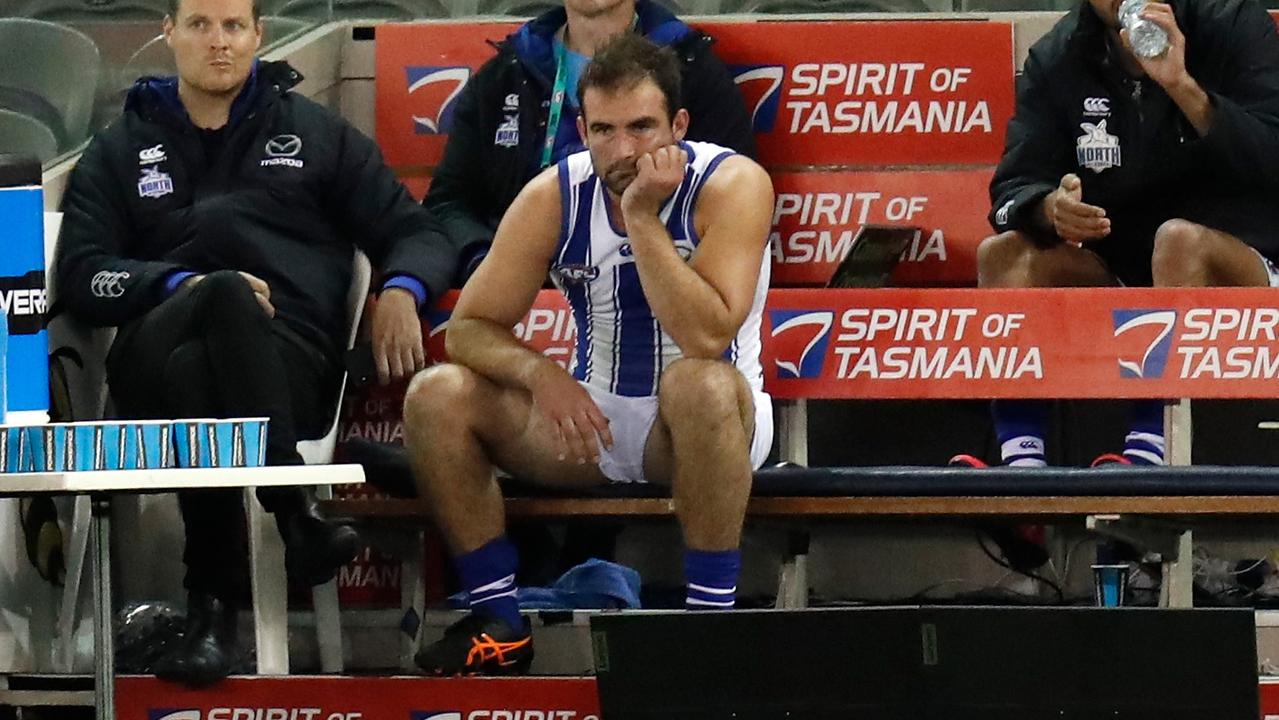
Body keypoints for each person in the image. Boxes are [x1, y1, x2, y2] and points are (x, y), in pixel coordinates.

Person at [55, 0, 457, 686]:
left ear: (258, 37)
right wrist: (180, 285)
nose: (219, 43)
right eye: (201, 26)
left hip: (288, 363)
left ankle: (213, 612)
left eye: (234, 27)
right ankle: (292, 515)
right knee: (219, 297)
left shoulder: (314, 134)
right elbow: (83, 277)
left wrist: (403, 291)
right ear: (169, 34)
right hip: (149, 362)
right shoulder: (121, 149)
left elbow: (416, 231)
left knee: (201, 370)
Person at [403, 33, 774, 676]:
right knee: (435, 393)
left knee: (698, 383)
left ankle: (712, 626)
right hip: (592, 422)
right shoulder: (554, 194)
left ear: (678, 125)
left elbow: (708, 338)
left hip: (708, 427)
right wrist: (539, 373)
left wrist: (641, 219)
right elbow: (470, 329)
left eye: (642, 128)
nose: (623, 150)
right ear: (581, 127)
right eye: (603, 130)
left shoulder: (733, 183)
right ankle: (500, 620)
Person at [958, 0, 1279, 471]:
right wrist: (1050, 209)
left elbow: (1272, 158)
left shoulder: (1231, 20)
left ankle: (1151, 453)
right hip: (1127, 274)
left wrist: (1182, 88)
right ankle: (1020, 469)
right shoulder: (1061, 54)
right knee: (1003, 254)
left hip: (1246, 269)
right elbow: (1012, 186)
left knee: (1178, 241)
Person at [424, 0, 757, 287]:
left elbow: (732, 206)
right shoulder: (506, 73)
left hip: (655, 290)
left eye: (640, 126)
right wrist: (491, 264)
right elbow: (449, 201)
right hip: (525, 297)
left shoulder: (694, 71)